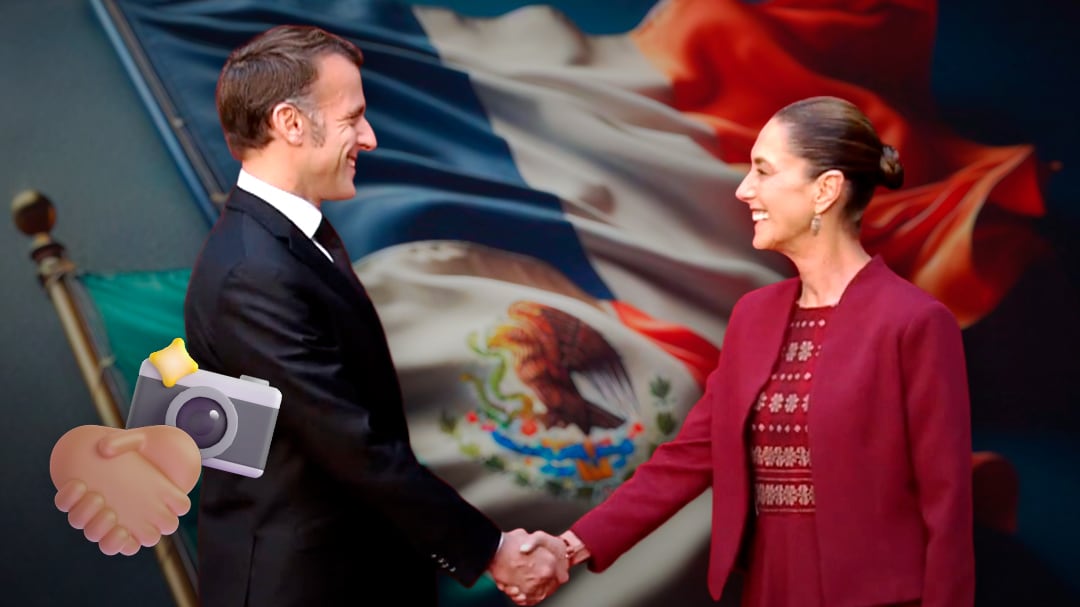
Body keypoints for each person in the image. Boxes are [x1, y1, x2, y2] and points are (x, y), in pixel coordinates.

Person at [183, 25, 566, 607]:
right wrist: (489, 549)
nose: (370, 137)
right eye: (353, 117)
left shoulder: (277, 243)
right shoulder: (253, 271)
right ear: (290, 123)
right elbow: (349, 444)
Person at [546, 96, 975, 606]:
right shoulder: (754, 316)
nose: (744, 189)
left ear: (825, 190)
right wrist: (568, 548)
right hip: (767, 589)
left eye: (763, 171)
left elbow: (948, 509)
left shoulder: (916, 322)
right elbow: (688, 457)